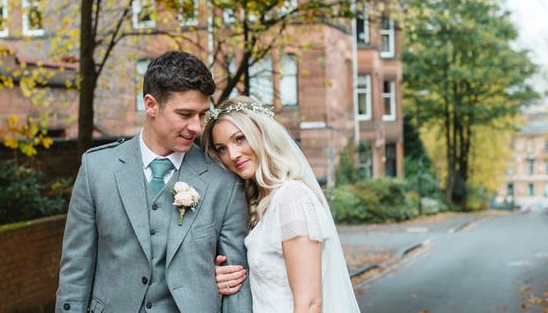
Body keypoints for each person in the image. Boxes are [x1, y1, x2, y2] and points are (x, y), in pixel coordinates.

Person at [55, 51, 252, 313]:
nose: (196, 127)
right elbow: (75, 269)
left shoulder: (222, 180)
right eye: (185, 114)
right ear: (150, 105)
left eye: (203, 115)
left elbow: (236, 281)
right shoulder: (97, 169)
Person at [204, 97, 361, 313]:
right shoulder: (262, 202)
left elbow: (309, 304)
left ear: (262, 135)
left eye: (240, 139)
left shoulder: (292, 198)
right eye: (222, 148)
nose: (232, 155)